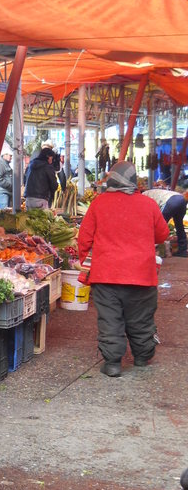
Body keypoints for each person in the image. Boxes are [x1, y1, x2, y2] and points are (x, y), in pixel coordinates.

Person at [77, 161, 170, 378]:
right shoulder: (148, 204)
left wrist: (89, 262)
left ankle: (112, 363)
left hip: (106, 276)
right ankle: (141, 357)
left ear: (111, 179)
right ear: (133, 181)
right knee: (141, 319)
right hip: (142, 276)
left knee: (110, 319)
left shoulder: (99, 204)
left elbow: (84, 238)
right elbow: (162, 235)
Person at [143, 187, 187, 257]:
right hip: (182, 201)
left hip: (170, 202)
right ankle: (183, 251)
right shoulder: (153, 192)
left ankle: (158, 251)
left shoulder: (143, 195)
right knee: (179, 226)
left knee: (159, 226)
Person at [0, 143, 13, 209]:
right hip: (3, 195)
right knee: (3, 215)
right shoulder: (1, 165)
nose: (11, 157)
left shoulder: (5, 165)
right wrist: (10, 186)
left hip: (6, 194)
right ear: (4, 155)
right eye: (10, 155)